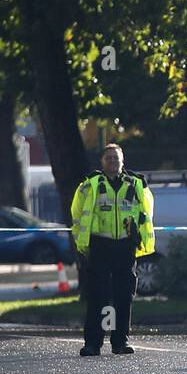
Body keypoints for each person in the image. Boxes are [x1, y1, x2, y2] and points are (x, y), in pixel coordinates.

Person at [71, 144, 155, 356]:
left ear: (122, 161)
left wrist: (139, 239)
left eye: (116, 158)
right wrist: (83, 242)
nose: (112, 161)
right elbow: (77, 212)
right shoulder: (90, 184)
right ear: (102, 161)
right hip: (100, 245)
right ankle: (93, 343)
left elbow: (146, 212)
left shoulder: (136, 184)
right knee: (97, 295)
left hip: (125, 246)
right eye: (108, 158)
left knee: (124, 295)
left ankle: (120, 342)